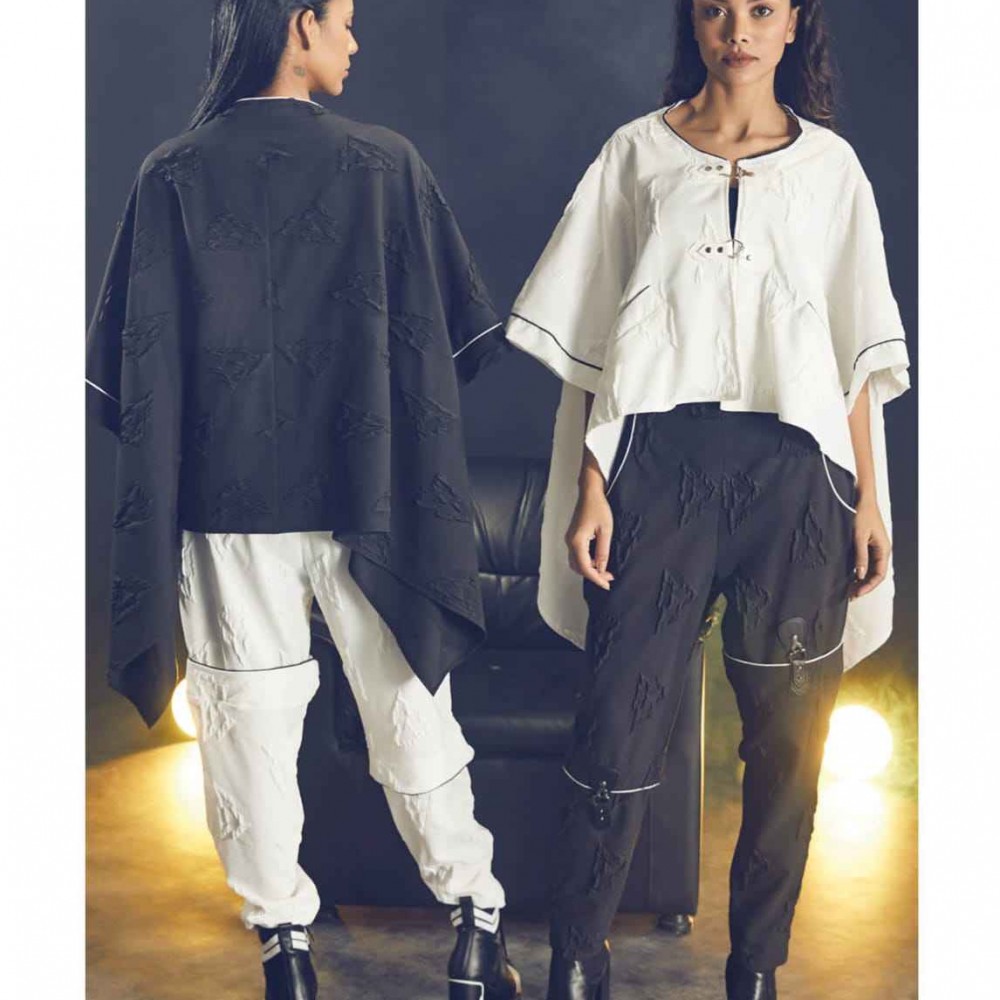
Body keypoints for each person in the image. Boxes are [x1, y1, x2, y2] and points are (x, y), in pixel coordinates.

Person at [85, 2, 521, 998]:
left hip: (228, 498)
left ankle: (284, 946)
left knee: (247, 723)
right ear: (299, 24)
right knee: (408, 701)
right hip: (372, 494)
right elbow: (449, 341)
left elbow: (133, 373)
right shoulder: (385, 164)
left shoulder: (169, 174)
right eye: (346, 23)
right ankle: (474, 922)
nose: (354, 44)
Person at [504, 1, 911, 998]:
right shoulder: (636, 155)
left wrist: (867, 500)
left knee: (788, 746)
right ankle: (577, 958)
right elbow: (596, 342)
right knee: (615, 728)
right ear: (694, 21)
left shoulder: (832, 170)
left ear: (793, 25)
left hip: (797, 479)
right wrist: (593, 484)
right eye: (717, 7)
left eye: (762, 8)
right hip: (658, 467)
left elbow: (854, 354)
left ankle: (755, 968)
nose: (738, 26)